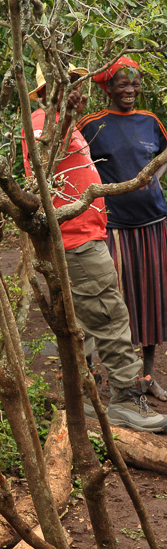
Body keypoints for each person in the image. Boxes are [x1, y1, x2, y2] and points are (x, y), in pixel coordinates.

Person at [22, 64, 167, 433]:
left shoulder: (61, 120)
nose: (75, 89)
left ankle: (82, 396)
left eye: (75, 83)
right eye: (66, 84)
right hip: (76, 238)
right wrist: (68, 115)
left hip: (86, 233)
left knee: (84, 319)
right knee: (111, 315)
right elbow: (44, 165)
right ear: (46, 91)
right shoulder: (43, 122)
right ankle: (125, 398)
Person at [78, 57, 167, 400]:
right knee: (114, 305)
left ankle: (146, 376)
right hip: (112, 226)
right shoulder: (93, 124)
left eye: (135, 84)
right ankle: (107, 377)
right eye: (122, 84)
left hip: (154, 225)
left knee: (152, 303)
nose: (130, 90)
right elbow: (71, 157)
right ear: (108, 88)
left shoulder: (151, 121)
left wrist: (152, 180)